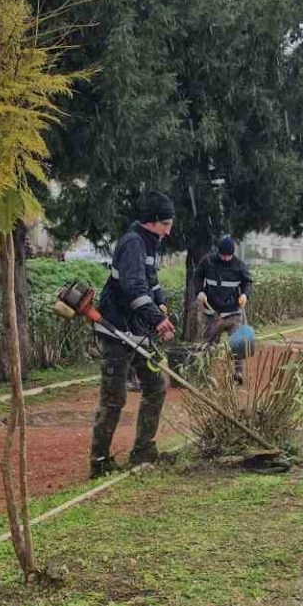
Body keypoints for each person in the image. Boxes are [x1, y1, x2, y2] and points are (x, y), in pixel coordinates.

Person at [89, 191, 177, 478]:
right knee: (114, 398)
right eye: (165, 224)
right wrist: (157, 319)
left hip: (137, 331)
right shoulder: (133, 243)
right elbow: (132, 286)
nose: (168, 231)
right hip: (116, 331)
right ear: (152, 220)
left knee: (156, 386)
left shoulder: (150, 244)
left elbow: (151, 283)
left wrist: (160, 304)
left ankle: (143, 450)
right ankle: (99, 462)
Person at [195, 236, 254, 384]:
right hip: (212, 312)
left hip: (233, 312)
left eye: (229, 256)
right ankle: (205, 374)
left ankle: (238, 373)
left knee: (238, 342)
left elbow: (247, 282)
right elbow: (197, 277)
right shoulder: (207, 262)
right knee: (208, 344)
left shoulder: (239, 265)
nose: (226, 258)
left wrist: (245, 295)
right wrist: (199, 292)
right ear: (218, 252)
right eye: (223, 255)